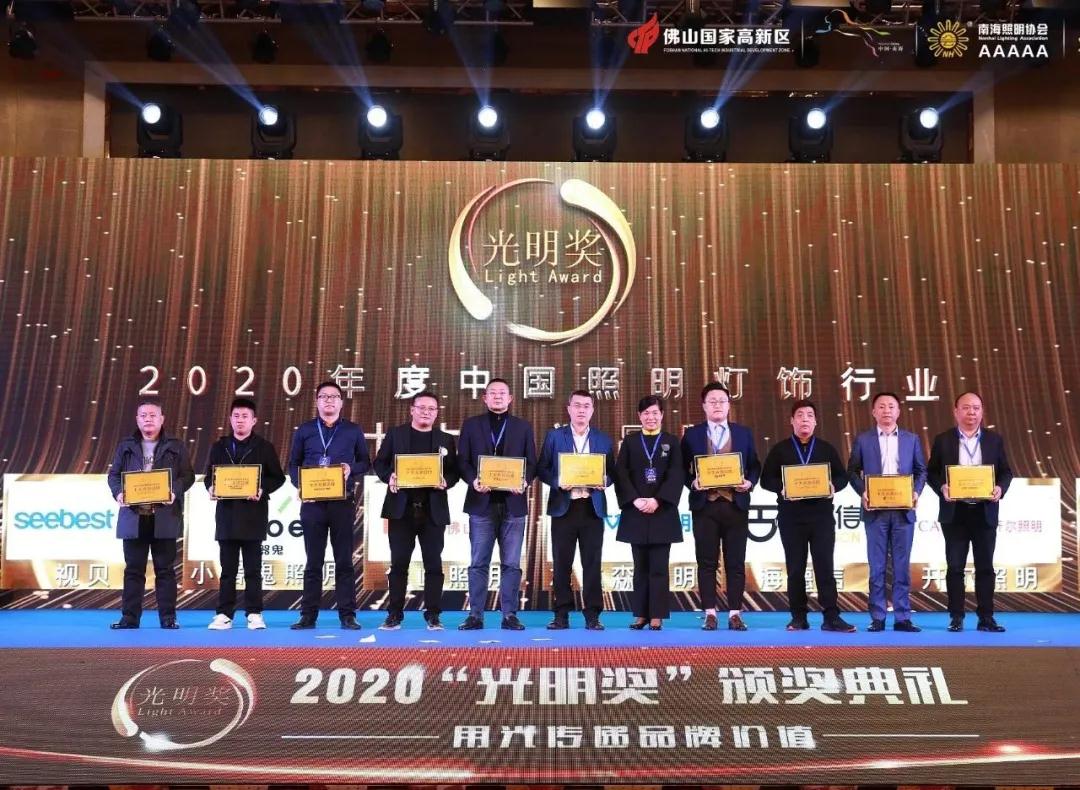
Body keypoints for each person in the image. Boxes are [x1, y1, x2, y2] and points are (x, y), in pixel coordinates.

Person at [760, 399, 854, 633]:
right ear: (792, 421)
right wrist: (782, 488)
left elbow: (842, 477)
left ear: (815, 422)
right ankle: (798, 617)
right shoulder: (780, 449)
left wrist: (833, 486)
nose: (805, 420)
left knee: (825, 567)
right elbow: (765, 480)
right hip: (791, 518)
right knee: (795, 568)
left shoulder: (826, 448)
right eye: (800, 415)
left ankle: (831, 617)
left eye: (809, 415)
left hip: (821, 517)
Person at [926, 391, 1013, 633]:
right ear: (956, 412)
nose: (971, 412)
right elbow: (932, 472)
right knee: (955, 567)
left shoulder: (994, 440)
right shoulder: (943, 440)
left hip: (984, 512)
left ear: (982, 412)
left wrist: (1000, 488)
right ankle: (956, 617)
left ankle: (986, 618)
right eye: (966, 407)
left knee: (985, 567)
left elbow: (1006, 472)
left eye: (976, 408)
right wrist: (941, 487)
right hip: (955, 513)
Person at [287, 381, 371, 630]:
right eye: (323, 396)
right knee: (313, 561)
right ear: (316, 401)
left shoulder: (353, 430)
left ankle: (348, 615)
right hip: (312, 504)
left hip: (342, 503)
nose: (329, 400)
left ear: (341, 402)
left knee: (344, 560)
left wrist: (350, 468)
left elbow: (366, 462)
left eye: (334, 396)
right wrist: (301, 486)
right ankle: (308, 615)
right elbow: (293, 464)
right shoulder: (305, 430)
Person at [373, 390, 459, 631]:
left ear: (437, 413)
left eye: (431, 409)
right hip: (401, 510)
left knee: (433, 564)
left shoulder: (445, 439)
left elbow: (454, 471)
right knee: (399, 564)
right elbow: (379, 462)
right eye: (421, 407)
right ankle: (394, 614)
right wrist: (389, 476)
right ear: (412, 410)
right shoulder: (396, 434)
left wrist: (446, 481)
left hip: (433, 511)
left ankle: (433, 615)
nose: (426, 412)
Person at [106, 397, 195, 629]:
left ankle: (168, 618)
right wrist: (118, 493)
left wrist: (174, 490)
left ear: (161, 419)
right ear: (137, 419)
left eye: (153, 415)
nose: (148, 419)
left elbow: (188, 476)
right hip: (134, 516)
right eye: (143, 415)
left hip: (164, 516)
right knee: (133, 570)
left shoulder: (176, 445)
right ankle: (129, 618)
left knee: (165, 570)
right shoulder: (125, 445)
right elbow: (114, 475)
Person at [457, 378, 537, 631]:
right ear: (485, 398)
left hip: (513, 504)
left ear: (510, 398)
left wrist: (524, 481)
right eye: (493, 393)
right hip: (481, 503)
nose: (498, 396)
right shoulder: (471, 425)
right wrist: (473, 480)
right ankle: (475, 616)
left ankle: (509, 615)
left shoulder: (523, 427)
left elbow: (532, 463)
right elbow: (462, 461)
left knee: (511, 564)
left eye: (503, 392)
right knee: (478, 563)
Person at [680, 382, 761, 631]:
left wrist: (749, 482)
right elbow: (681, 469)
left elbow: (755, 465)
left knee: (735, 562)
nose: (717, 405)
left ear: (729, 405)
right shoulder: (692, 435)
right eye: (712, 401)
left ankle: (735, 613)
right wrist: (692, 482)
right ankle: (710, 613)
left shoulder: (743, 433)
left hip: (736, 505)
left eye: (722, 401)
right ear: (704, 406)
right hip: (705, 506)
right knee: (707, 563)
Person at [847, 391, 927, 633]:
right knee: (877, 566)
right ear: (874, 412)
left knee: (902, 566)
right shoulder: (864, 440)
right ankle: (878, 617)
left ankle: (902, 617)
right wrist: (863, 492)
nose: (886, 411)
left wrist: (916, 492)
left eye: (891, 406)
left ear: (898, 411)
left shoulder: (911, 439)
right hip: (875, 512)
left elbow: (921, 470)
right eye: (881, 406)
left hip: (903, 511)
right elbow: (852, 471)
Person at [536, 390, 616, 631]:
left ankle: (593, 615)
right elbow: (542, 469)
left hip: (592, 508)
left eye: (586, 406)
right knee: (562, 563)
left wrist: (605, 481)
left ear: (592, 410)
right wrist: (558, 481)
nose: (581, 410)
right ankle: (561, 614)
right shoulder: (554, 436)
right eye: (577, 405)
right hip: (564, 507)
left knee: (592, 563)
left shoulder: (603, 439)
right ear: (568, 408)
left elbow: (612, 472)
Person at [204, 397, 286, 631]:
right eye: (236, 416)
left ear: (254, 420)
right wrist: (211, 488)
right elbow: (209, 476)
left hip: (253, 516)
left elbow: (278, 477)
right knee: (227, 571)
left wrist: (262, 489)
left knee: (253, 570)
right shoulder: (219, 447)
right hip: (227, 516)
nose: (240, 420)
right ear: (230, 419)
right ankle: (224, 614)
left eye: (245, 416)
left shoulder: (264, 447)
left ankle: (254, 613)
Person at [614, 395, 685, 631]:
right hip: (636, 512)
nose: (650, 417)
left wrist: (658, 500)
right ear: (639, 416)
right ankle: (640, 614)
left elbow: (677, 474)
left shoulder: (671, 442)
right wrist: (634, 500)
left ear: (662, 415)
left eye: (655, 413)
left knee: (659, 568)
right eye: (646, 413)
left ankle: (657, 616)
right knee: (640, 568)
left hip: (662, 512)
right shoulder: (630, 442)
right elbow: (621, 474)